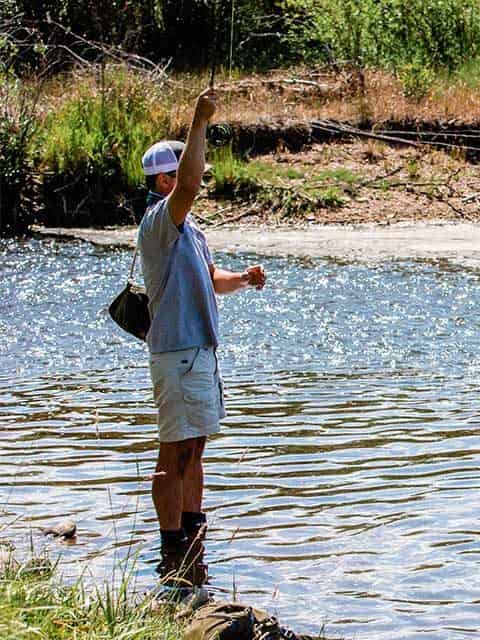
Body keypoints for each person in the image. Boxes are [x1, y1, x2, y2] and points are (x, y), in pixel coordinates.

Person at [137, 87, 266, 584]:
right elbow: (189, 188)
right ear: (165, 179)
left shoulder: (190, 230)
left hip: (200, 355)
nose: (196, 180)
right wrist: (200, 119)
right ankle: (173, 553)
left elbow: (212, 280)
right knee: (175, 452)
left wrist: (244, 280)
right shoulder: (160, 221)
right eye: (184, 172)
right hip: (176, 354)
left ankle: (193, 540)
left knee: (197, 450)